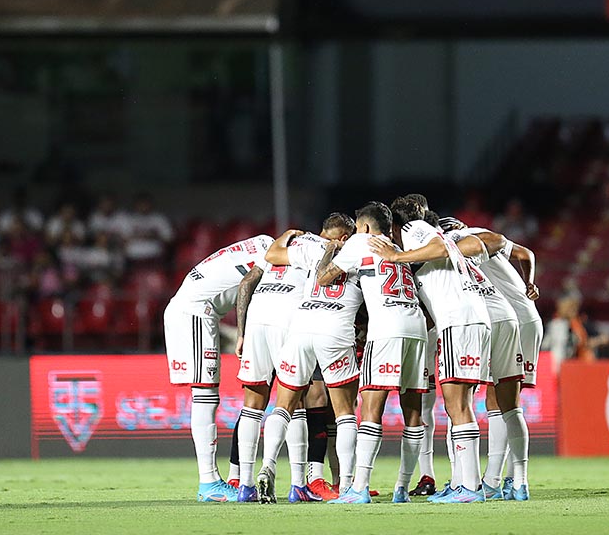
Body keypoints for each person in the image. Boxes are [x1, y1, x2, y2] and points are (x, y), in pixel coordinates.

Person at [370, 195, 494, 504]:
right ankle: (465, 483)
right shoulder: (418, 249)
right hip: (470, 319)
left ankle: (470, 488)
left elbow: (441, 247)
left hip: (459, 320)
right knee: (459, 404)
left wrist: (397, 257)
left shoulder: (413, 228)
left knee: (457, 405)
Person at [232, 214, 356, 503]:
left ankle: (246, 484)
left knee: (253, 404)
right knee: (296, 400)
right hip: (291, 317)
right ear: (343, 237)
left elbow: (248, 281)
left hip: (257, 317)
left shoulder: (292, 242)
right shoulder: (333, 250)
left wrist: (241, 333)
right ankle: (300, 482)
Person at [435, 217, 542, 502]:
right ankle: (516, 481)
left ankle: (492, 480)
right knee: (508, 403)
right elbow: (526, 253)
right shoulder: (476, 239)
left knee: (486, 400)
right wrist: (529, 282)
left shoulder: (463, 240)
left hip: (506, 319)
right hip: (524, 317)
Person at [328, 202, 428, 505]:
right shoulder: (399, 247)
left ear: (366, 228)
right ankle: (401, 488)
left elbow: (325, 277)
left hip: (386, 328)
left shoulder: (360, 242)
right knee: (413, 413)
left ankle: (359, 487)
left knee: (371, 408)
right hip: (417, 327)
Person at [164, 233, 274, 503]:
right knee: (204, 397)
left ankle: (212, 480)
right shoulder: (272, 257)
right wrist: (244, 334)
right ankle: (209, 482)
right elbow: (249, 290)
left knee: (206, 396)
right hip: (196, 312)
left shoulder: (264, 242)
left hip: (195, 309)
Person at [544, 294, 608, 373]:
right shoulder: (554, 324)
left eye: (571, 307)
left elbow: (605, 338)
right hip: (558, 365)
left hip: (580, 364)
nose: (569, 309)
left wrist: (593, 342)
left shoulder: (581, 322)